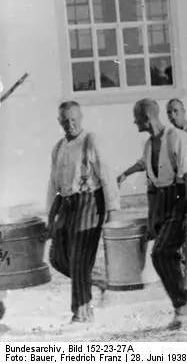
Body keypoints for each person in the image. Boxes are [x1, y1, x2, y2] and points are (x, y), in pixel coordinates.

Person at [117, 99, 187, 330]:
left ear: (146, 118)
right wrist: (125, 174)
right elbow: (145, 166)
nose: (134, 122)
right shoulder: (149, 144)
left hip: (181, 200)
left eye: (136, 117)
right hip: (162, 202)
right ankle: (186, 304)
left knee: (162, 253)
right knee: (165, 255)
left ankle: (185, 305)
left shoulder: (178, 138)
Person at [44, 101, 121, 325]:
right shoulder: (58, 147)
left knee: (79, 259)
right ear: (59, 121)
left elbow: (107, 175)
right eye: (65, 121)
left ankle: (82, 312)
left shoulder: (91, 141)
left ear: (81, 117)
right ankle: (100, 280)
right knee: (57, 258)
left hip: (89, 202)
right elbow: (53, 184)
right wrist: (50, 217)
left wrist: (113, 210)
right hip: (65, 204)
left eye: (74, 119)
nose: (70, 124)